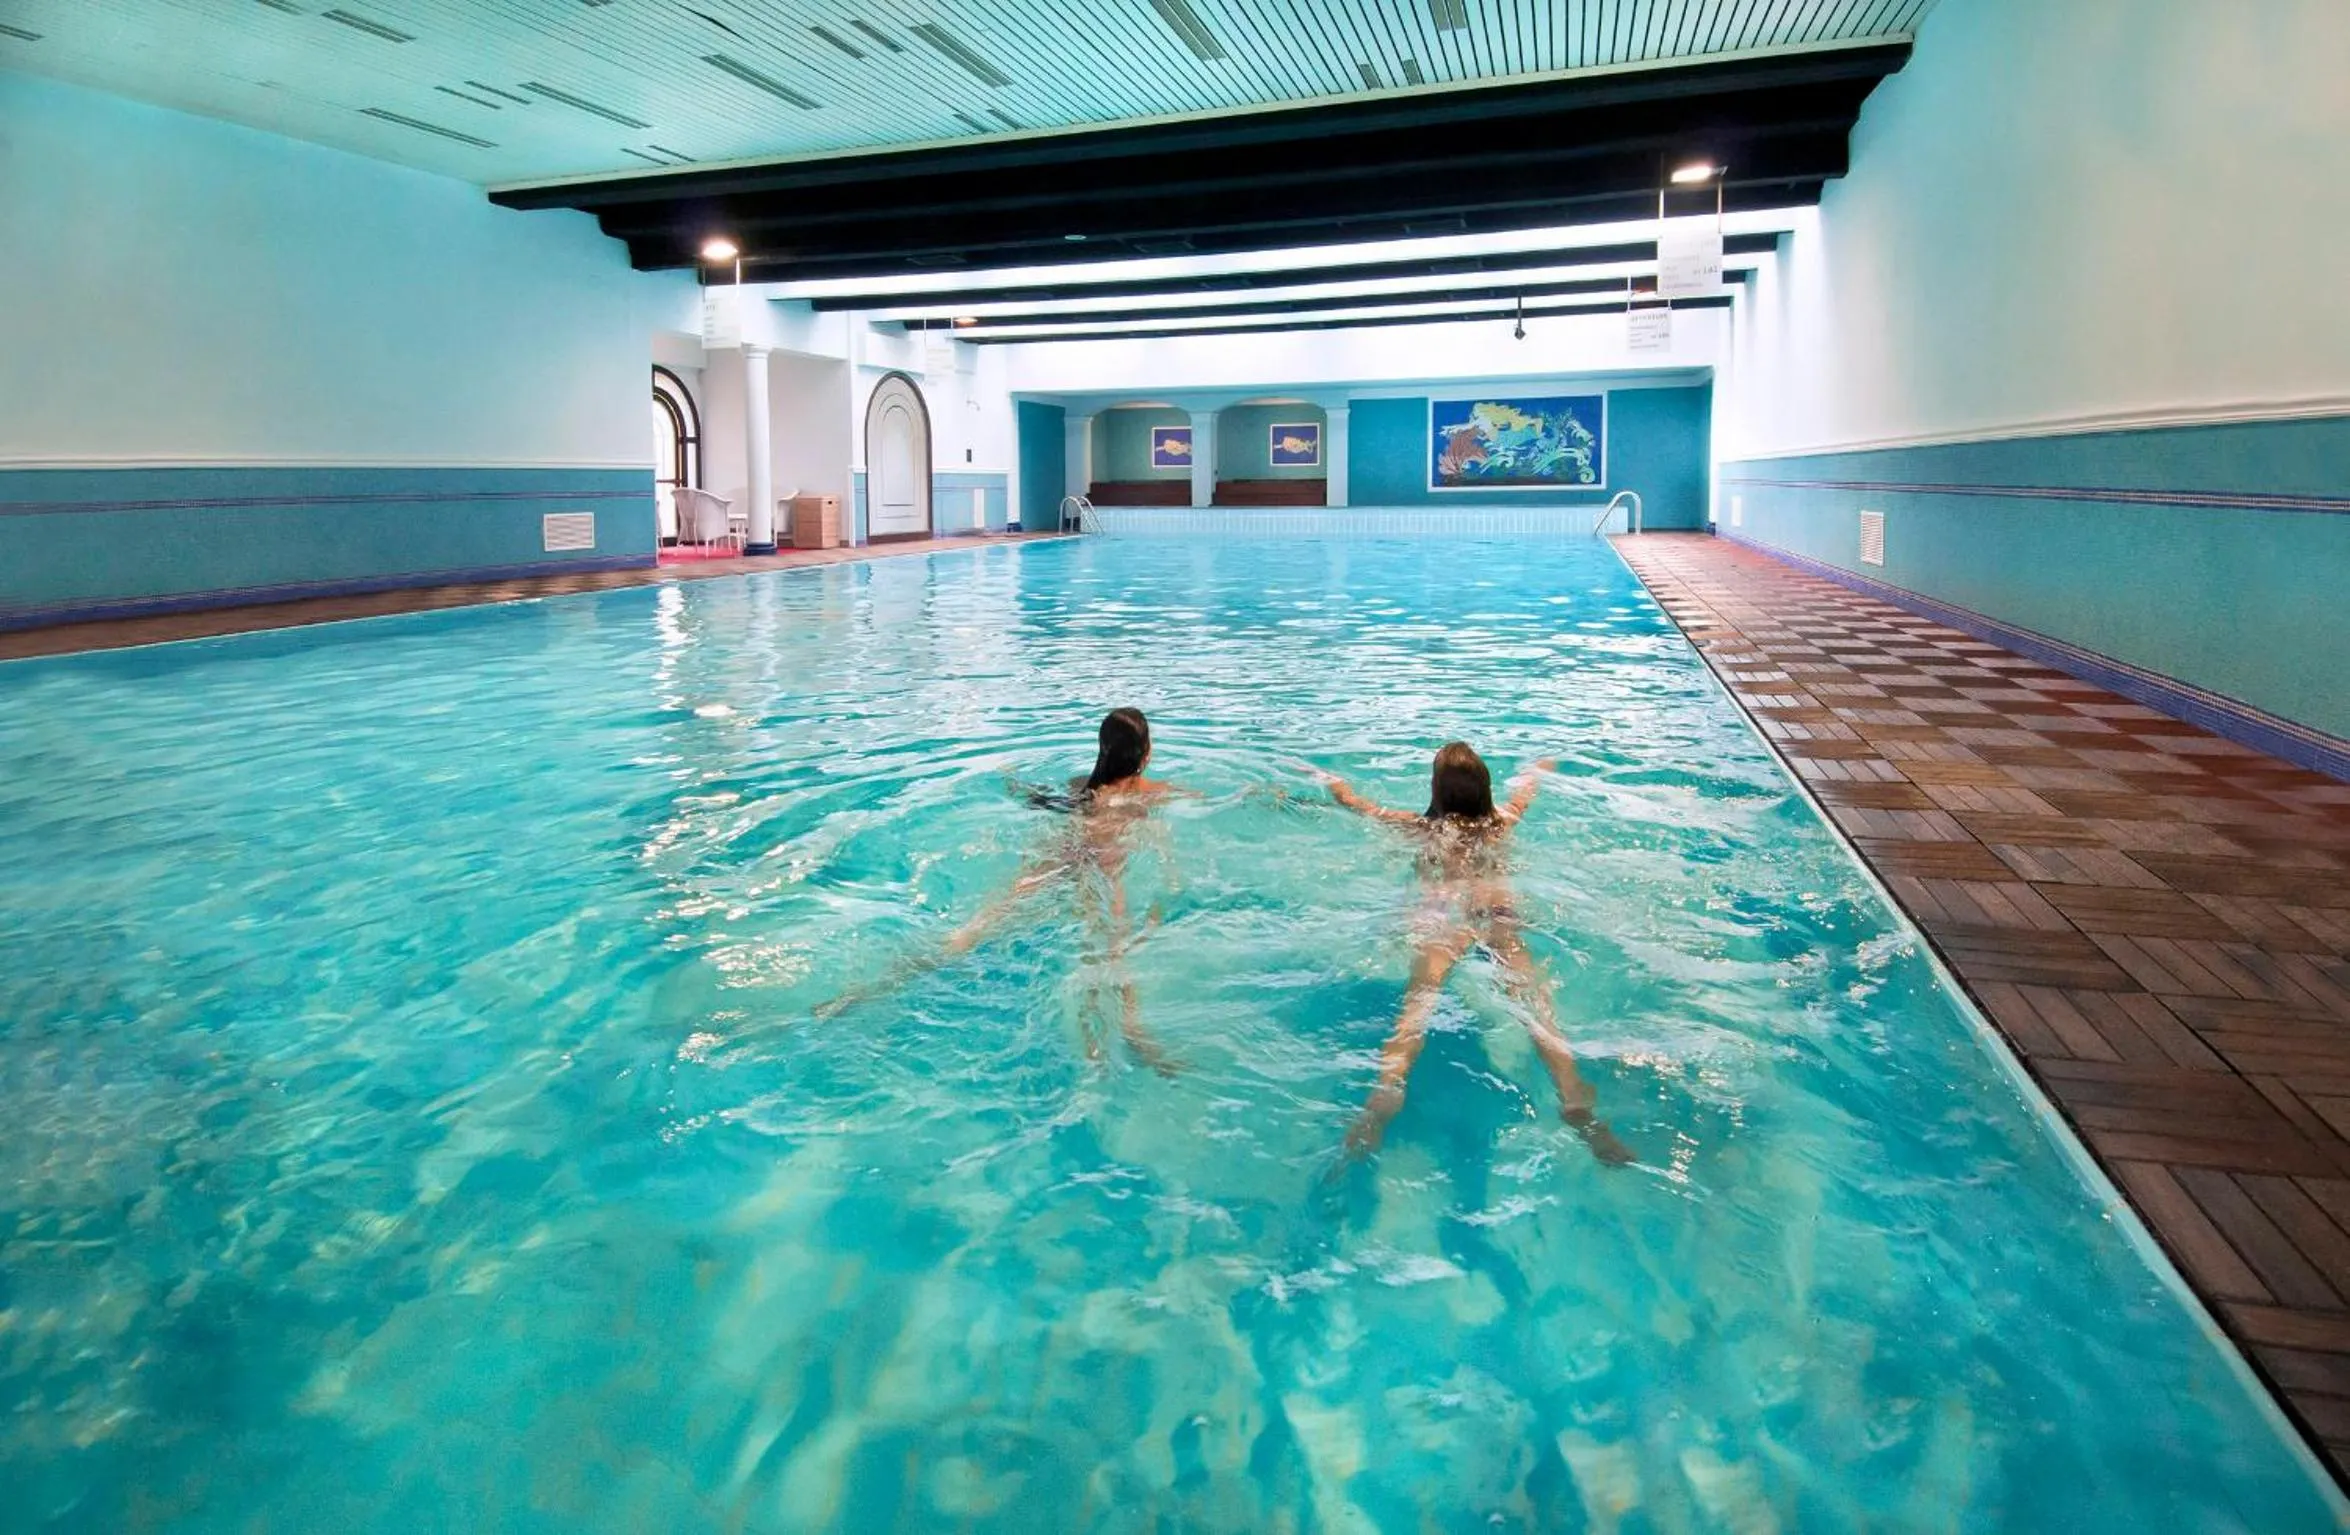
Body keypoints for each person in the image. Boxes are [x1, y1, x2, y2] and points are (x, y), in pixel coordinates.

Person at [815, 708, 1179, 1074]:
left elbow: (1043, 801)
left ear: (1102, 750)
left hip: (1060, 855)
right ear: (1146, 754)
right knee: (1113, 956)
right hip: (1105, 868)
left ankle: (868, 990)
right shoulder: (1151, 794)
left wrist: (1014, 782)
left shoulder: (1079, 785)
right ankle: (1131, 1031)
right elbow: (1208, 802)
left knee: (971, 930)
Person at [1321, 743, 1633, 1166]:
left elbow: (1360, 807)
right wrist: (1539, 764)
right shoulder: (1501, 823)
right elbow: (1526, 791)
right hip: (1494, 910)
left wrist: (1327, 780)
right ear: (1485, 789)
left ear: (1435, 790)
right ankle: (1573, 1095)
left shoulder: (1421, 827)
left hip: (1442, 915)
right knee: (1537, 1009)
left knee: (1416, 1009)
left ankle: (1385, 1095)